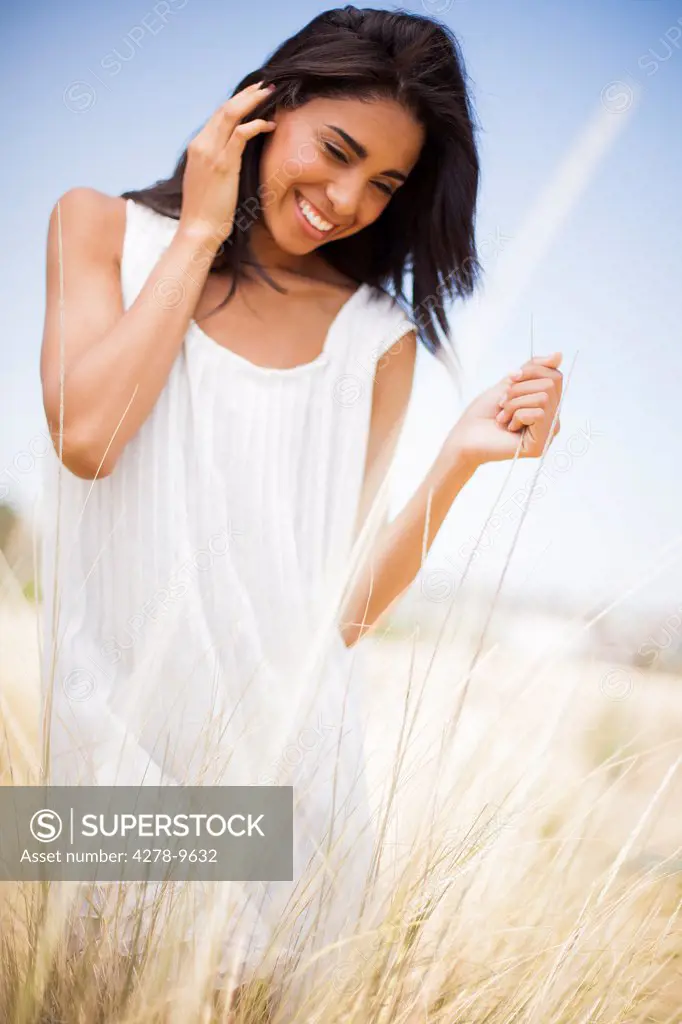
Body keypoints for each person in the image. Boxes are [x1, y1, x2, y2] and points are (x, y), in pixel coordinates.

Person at [37, 3, 563, 1005]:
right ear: (263, 106)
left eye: (385, 183)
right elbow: (88, 440)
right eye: (336, 149)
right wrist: (200, 229)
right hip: (101, 778)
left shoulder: (376, 339)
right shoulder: (97, 227)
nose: (347, 199)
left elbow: (344, 613)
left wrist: (454, 459)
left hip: (296, 796)